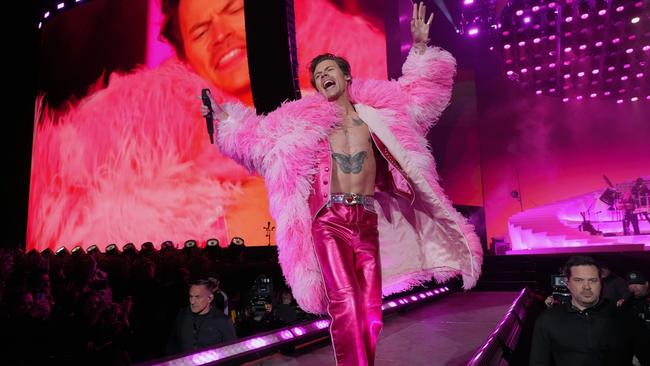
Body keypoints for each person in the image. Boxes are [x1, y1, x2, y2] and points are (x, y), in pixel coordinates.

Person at [203, 2, 482, 365]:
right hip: (328, 219)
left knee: (371, 310)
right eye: (318, 75)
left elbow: (421, 96)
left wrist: (420, 49)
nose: (323, 77)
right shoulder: (303, 123)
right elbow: (257, 138)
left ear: (346, 77)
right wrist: (225, 117)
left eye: (329, 70)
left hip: (366, 220)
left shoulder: (380, 116)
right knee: (345, 301)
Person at [530, 256, 650, 366]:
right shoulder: (548, 320)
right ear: (567, 284)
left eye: (593, 280)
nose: (586, 286)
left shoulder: (626, 318)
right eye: (579, 280)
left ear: (601, 283)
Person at [166, 278, 236, 355]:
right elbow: (172, 345)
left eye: (197, 297)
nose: (192, 302)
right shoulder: (182, 314)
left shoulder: (223, 320)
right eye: (191, 296)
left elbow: (232, 352)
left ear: (210, 298)